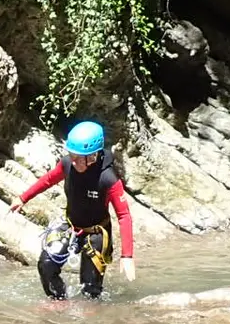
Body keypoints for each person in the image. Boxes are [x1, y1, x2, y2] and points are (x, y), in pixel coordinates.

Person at [8, 120, 135, 299]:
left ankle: (90, 315)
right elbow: (48, 180)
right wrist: (23, 198)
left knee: (90, 289)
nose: (72, 161)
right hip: (70, 225)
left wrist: (127, 256)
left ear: (92, 156)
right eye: (71, 155)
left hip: (96, 232)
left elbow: (124, 216)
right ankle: (59, 301)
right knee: (46, 265)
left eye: (77, 158)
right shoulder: (68, 164)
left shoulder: (108, 178)